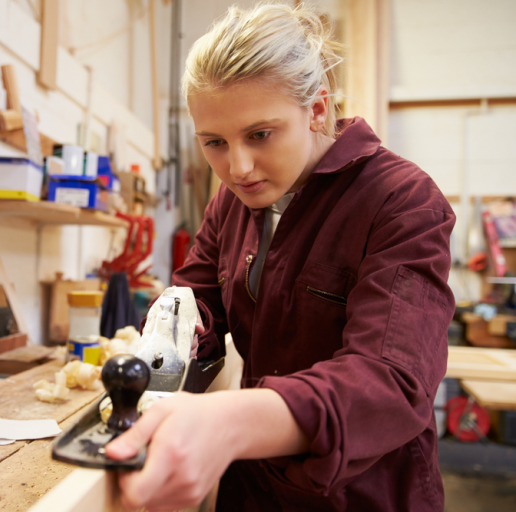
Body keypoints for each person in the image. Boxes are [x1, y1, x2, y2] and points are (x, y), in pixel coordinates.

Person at [105, 3, 455, 512]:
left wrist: (230, 422)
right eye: (215, 143)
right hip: (254, 482)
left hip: (363, 490)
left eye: (260, 135)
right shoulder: (231, 201)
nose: (238, 166)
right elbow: (194, 299)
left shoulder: (402, 201)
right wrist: (164, 345)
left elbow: (392, 382)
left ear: (316, 109)